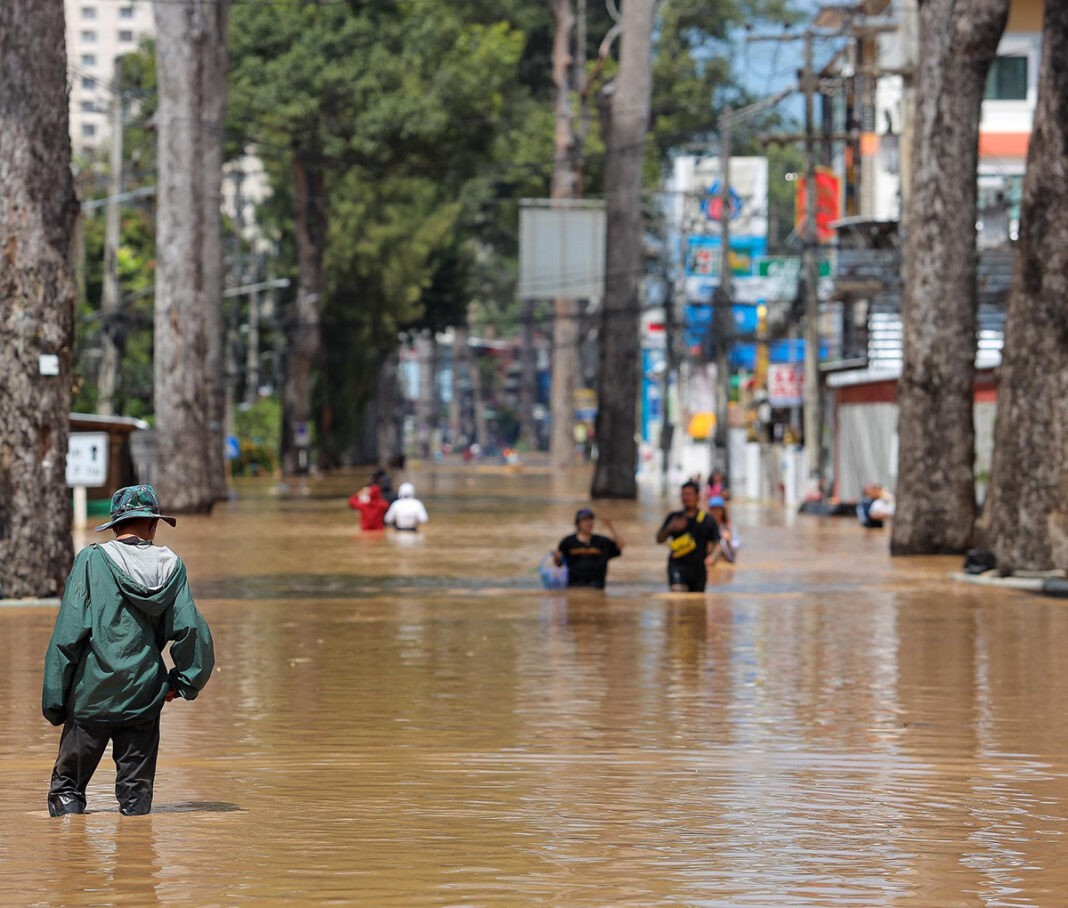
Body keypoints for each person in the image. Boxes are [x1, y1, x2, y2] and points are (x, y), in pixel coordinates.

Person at [41, 485, 214, 817]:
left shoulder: (91, 560)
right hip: (143, 698)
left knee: (67, 789)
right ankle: (136, 848)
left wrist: (55, 700)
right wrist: (181, 684)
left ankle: (67, 848)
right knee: (136, 799)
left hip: (91, 698)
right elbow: (191, 631)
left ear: (115, 525)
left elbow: (67, 636)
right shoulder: (173, 567)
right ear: (153, 524)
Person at [657, 480, 721, 592]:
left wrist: (713, 557)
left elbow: (717, 544)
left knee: (696, 601)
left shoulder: (708, 519)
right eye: (683, 494)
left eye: (688, 494)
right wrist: (670, 528)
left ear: (697, 496)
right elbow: (659, 539)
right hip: (677, 565)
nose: (685, 497)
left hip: (699, 569)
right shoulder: (674, 517)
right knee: (678, 597)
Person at [551, 508, 624, 590]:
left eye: (591, 519)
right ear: (578, 523)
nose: (589, 522)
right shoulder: (567, 542)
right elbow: (558, 564)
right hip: (574, 589)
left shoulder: (602, 541)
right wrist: (556, 557)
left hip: (597, 589)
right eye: (585, 520)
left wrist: (611, 527)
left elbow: (620, 546)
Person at [706, 496, 741, 565]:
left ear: (723, 511)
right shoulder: (705, 525)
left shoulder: (729, 527)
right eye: (713, 510)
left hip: (725, 559)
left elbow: (736, 546)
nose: (715, 513)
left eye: (718, 510)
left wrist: (728, 541)